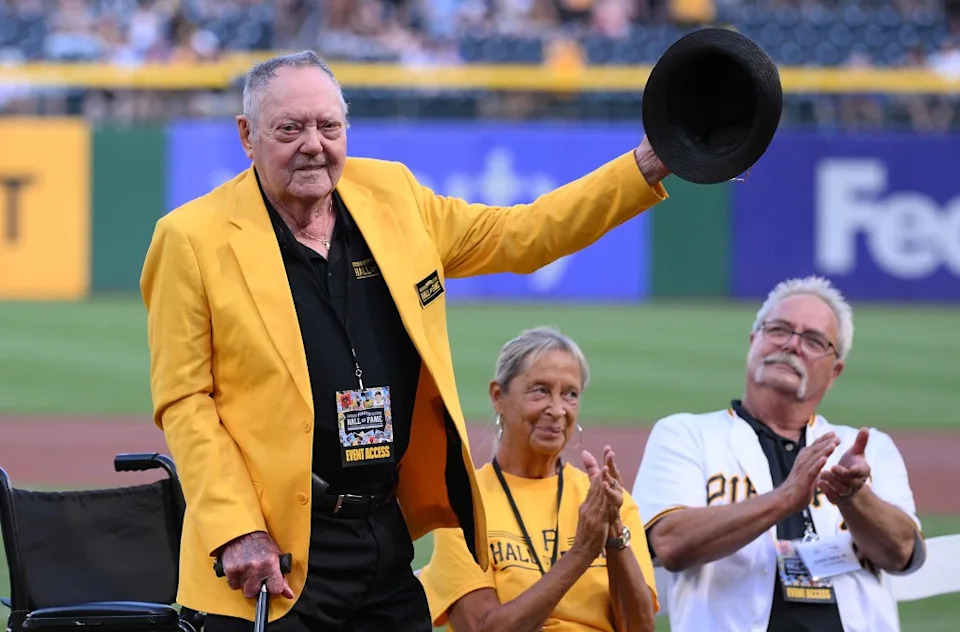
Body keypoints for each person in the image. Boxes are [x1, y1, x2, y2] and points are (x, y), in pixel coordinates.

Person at [139, 50, 671, 631]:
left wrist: (648, 163)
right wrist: (237, 528)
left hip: (381, 534)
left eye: (328, 126)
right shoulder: (190, 238)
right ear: (247, 135)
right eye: (289, 128)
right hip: (272, 552)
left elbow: (527, 233)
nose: (313, 144)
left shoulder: (393, 195)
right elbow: (186, 402)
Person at [631, 276, 927, 632]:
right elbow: (670, 544)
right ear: (754, 340)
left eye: (814, 340)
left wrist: (854, 497)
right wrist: (785, 498)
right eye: (779, 329)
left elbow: (902, 555)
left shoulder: (868, 448)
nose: (791, 345)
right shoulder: (686, 434)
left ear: (834, 372)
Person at [418, 327, 659, 632]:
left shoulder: (606, 502)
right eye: (540, 390)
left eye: (570, 394)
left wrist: (613, 534)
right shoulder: (465, 504)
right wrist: (581, 553)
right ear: (498, 397)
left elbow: (640, 627)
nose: (558, 410)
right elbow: (482, 629)